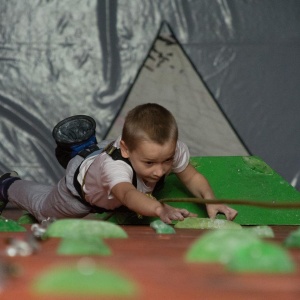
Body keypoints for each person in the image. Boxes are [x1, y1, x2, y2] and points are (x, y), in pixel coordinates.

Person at [0, 103, 237, 224]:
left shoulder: (168, 149)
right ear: (126, 148)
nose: (160, 170)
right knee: (44, 210)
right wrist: (158, 209)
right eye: (150, 162)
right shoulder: (116, 167)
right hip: (81, 190)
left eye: (167, 161)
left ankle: (87, 146)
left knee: (135, 173)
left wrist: (211, 201)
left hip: (111, 156)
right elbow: (126, 194)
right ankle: (7, 184)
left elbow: (192, 177)